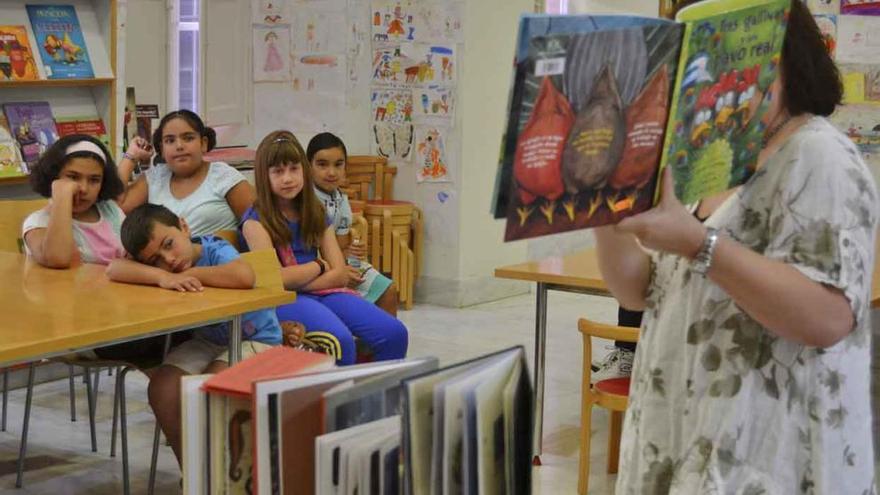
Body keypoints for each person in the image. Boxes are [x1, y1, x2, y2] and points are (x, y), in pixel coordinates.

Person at [604, 2, 877, 492]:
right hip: (683, 436)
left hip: (772, 457)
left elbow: (827, 317)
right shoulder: (709, 157)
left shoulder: (819, 155)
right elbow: (640, 292)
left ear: (785, 59)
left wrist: (696, 243)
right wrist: (602, 207)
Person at [106, 203, 281, 467]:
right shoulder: (165, 271)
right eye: (155, 259)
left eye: (169, 244)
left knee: (211, 386)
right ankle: (192, 474)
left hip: (256, 339)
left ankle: (220, 476)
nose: (169, 260)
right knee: (162, 389)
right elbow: (113, 269)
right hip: (208, 341)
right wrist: (159, 276)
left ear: (184, 226)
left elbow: (244, 276)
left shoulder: (213, 248)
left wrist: (193, 273)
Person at [240, 130, 408, 365]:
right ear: (263, 176)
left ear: (304, 170)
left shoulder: (315, 211)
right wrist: (318, 265)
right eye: (278, 171)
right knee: (339, 340)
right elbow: (274, 280)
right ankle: (339, 400)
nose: (287, 178)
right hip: (285, 299)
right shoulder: (255, 221)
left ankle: (372, 395)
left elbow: (339, 272)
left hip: (322, 292)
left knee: (394, 333)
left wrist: (309, 278)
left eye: (294, 169)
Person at [116, 109, 256, 236]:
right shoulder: (154, 177)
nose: (179, 146)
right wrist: (131, 156)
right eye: (170, 140)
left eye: (188, 138)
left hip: (217, 260)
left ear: (203, 143)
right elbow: (117, 208)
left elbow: (259, 224)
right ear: (162, 148)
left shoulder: (224, 176)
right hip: (166, 262)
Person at [306, 132, 399, 316]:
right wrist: (339, 273)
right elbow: (306, 253)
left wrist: (350, 253)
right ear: (308, 166)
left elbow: (339, 248)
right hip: (314, 271)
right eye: (322, 164)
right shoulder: (305, 201)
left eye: (338, 165)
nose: (331, 172)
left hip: (339, 265)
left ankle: (380, 341)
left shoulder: (341, 200)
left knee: (388, 290)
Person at [23, 134, 126, 268]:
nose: (83, 188)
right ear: (54, 176)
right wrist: (62, 194)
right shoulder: (38, 222)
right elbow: (57, 259)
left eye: (94, 180)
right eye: (73, 177)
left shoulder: (111, 211)